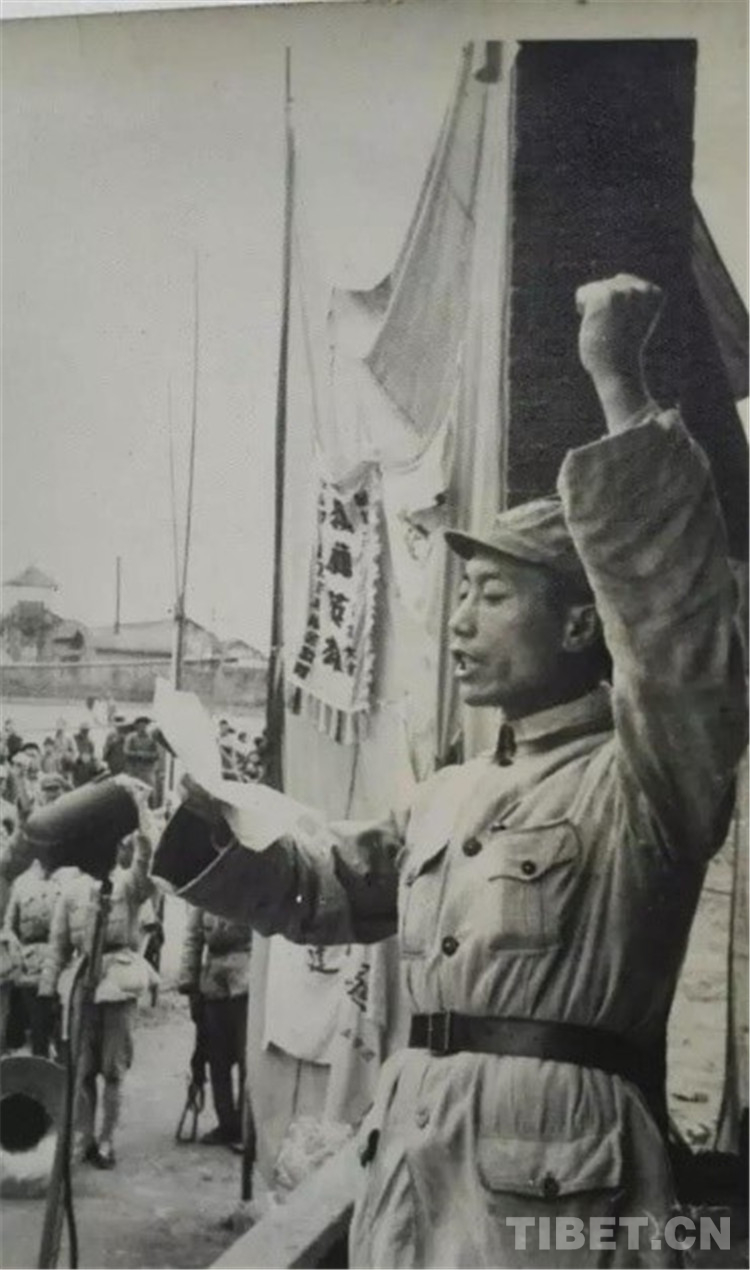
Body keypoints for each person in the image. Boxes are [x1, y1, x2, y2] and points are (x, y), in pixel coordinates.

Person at [159, 276, 747, 1268]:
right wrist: (204, 825)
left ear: (579, 624)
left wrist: (618, 382)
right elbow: (326, 886)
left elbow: (675, 619)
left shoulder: (645, 776)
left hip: (557, 1183)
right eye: (460, 594)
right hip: (417, 1168)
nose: (462, 624)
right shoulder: (451, 794)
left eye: (492, 596)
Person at [39, 802, 157, 1170]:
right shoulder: (71, 891)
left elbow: (146, 863)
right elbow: (58, 946)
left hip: (118, 983)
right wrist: (47, 991)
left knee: (114, 1069)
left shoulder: (129, 884)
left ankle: (107, 1140)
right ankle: (84, 1137)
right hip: (82, 984)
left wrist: (141, 816)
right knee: (82, 1068)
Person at [177, 908, 251, 1148]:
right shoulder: (204, 896)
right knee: (216, 1058)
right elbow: (192, 940)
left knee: (247, 1059)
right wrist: (189, 984)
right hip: (213, 985)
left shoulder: (252, 890)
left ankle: (247, 1126)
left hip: (247, 984)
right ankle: (226, 1125)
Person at [2, 854, 60, 1058]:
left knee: (57, 1021)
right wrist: (17, 954)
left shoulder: (63, 879)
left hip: (58, 958)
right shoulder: (21, 883)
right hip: (30, 961)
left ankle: (54, 1066)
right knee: (37, 1021)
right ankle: (38, 1063)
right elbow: (9, 926)